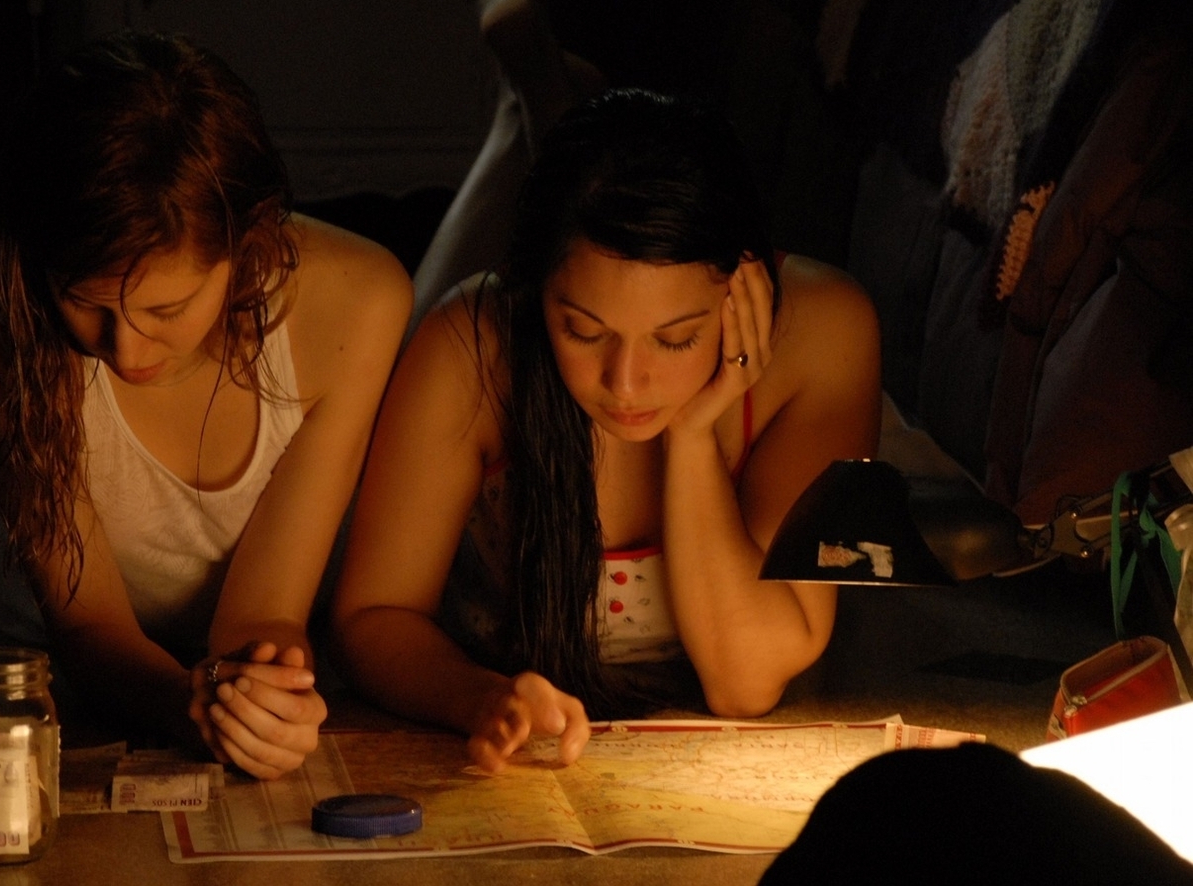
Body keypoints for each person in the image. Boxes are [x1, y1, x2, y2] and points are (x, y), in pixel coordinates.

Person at [331, 87, 882, 774]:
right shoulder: (472, 345)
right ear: (537, 294)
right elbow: (373, 614)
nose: (625, 383)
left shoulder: (824, 335)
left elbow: (747, 681)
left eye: (675, 339)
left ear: (742, 284)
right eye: (583, 331)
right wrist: (480, 698)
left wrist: (693, 436)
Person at [0, 31, 412, 779]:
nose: (125, 352)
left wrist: (266, 693)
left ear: (245, 249)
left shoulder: (359, 298)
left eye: (167, 308)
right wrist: (189, 706)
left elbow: (264, 616)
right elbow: (89, 629)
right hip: (35, 577)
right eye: (85, 304)